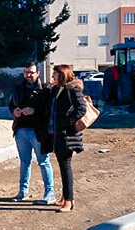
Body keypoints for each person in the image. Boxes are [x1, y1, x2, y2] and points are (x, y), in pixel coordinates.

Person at [41, 65, 87, 212]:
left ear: (62, 75)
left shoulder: (72, 89)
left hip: (67, 135)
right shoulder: (56, 90)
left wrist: (68, 122)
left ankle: (69, 201)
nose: (52, 77)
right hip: (57, 135)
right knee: (62, 166)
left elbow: (82, 108)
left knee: (66, 167)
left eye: (54, 74)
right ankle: (65, 197)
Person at [9, 62, 55, 205]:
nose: (29, 75)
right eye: (26, 72)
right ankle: (22, 192)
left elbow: (50, 110)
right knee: (24, 162)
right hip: (21, 130)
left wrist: (35, 111)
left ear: (38, 73)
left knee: (44, 161)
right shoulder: (18, 88)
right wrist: (14, 111)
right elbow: (11, 104)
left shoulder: (45, 90)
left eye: (31, 72)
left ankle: (50, 193)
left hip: (38, 132)